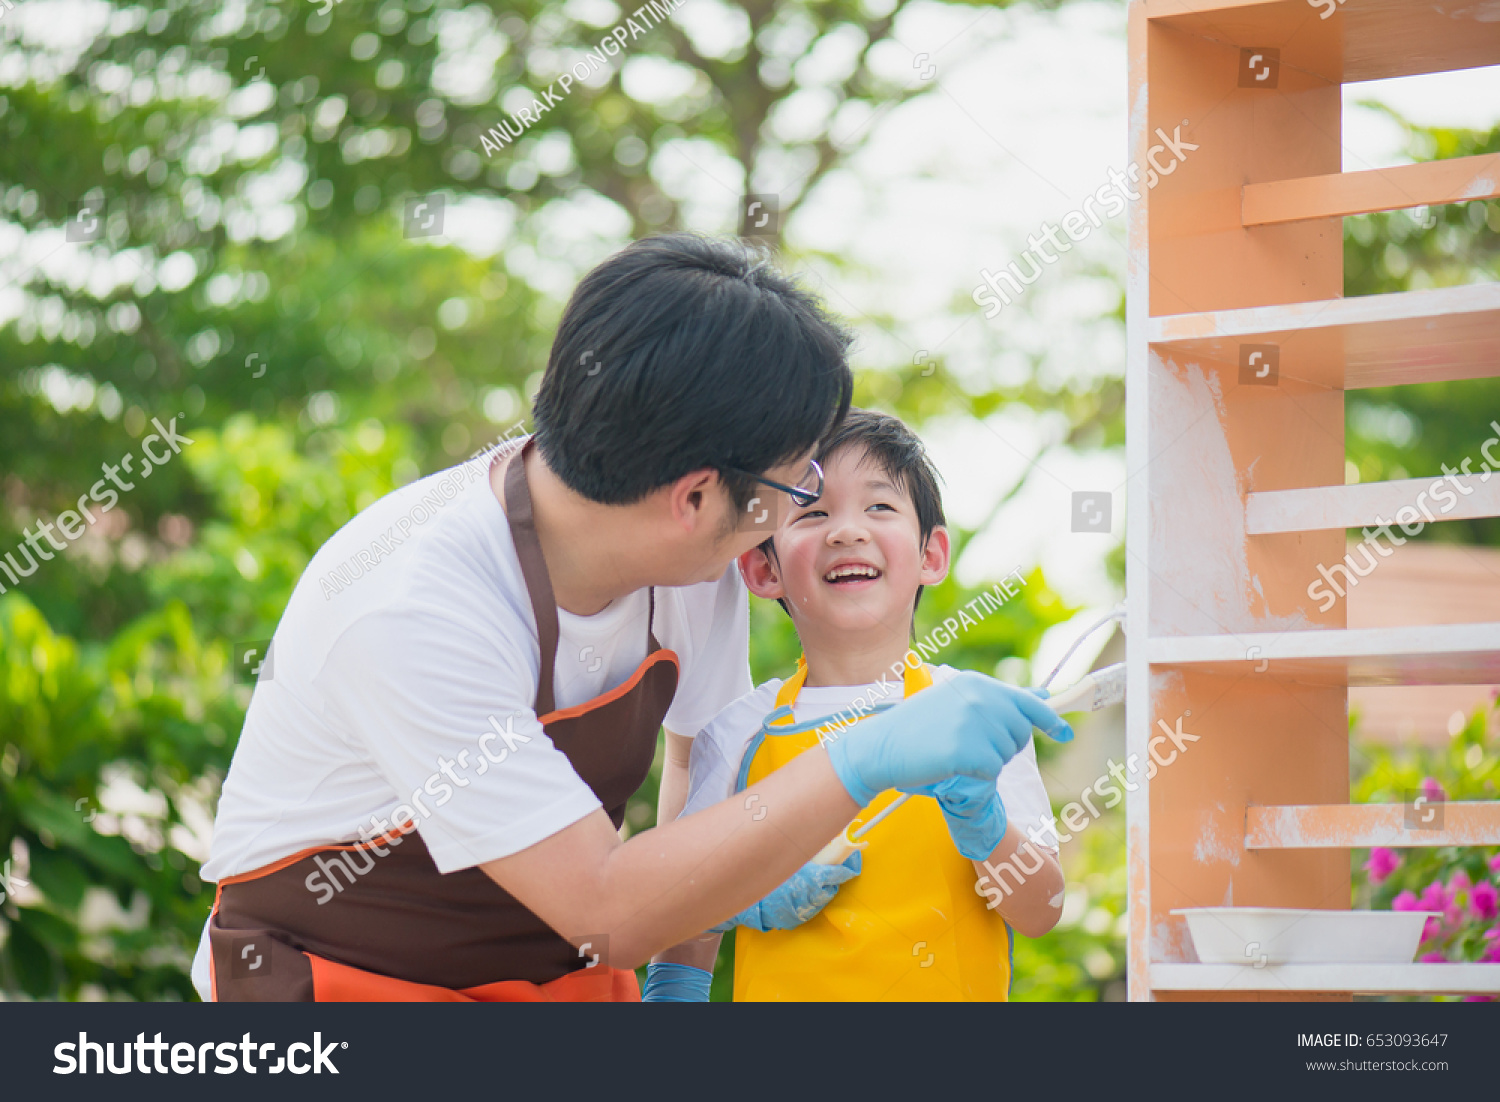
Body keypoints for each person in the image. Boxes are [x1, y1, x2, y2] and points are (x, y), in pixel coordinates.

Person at [193, 234, 1069, 1002]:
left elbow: (690, 821)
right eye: (796, 489)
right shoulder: (409, 606)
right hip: (347, 985)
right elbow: (608, 907)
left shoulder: (696, 563)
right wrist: (869, 754)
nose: (809, 513)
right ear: (694, 496)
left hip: (561, 973)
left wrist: (681, 973)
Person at [646, 409, 1064, 1001]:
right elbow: (675, 902)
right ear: (762, 568)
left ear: (932, 554)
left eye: (880, 507)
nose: (847, 531)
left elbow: (1042, 911)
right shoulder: (737, 732)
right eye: (812, 513)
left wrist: (987, 828)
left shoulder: (974, 717)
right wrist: (736, 910)